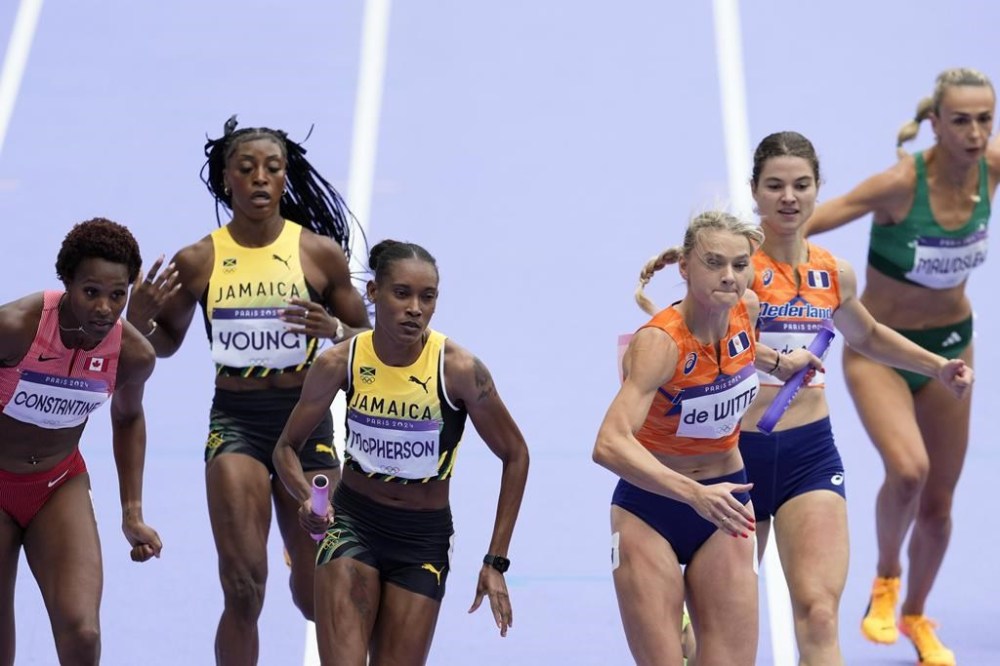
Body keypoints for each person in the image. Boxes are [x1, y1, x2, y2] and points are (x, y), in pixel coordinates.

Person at [126, 116, 371, 665]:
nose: (260, 178)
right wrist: (138, 321)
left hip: (306, 426)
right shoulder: (200, 260)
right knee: (242, 589)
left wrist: (333, 329)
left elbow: (376, 347)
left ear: (286, 178)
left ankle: (295, 547)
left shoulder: (318, 254)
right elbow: (163, 343)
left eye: (273, 168)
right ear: (226, 180)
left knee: (316, 596)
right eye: (247, 168)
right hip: (235, 422)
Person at [740, 131, 973, 665]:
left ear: (818, 188)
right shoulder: (737, 268)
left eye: (801, 184)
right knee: (726, 623)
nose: (788, 197)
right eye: (774, 185)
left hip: (809, 457)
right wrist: (776, 362)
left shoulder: (832, 272)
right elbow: (708, 344)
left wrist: (937, 366)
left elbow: (866, 335)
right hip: (736, 455)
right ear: (755, 191)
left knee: (820, 612)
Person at [805, 68, 997, 665]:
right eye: (960, 120)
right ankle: (884, 582)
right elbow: (806, 220)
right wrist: (732, 261)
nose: (974, 133)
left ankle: (915, 615)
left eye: (984, 120)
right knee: (908, 471)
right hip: (880, 351)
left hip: (950, 352)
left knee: (939, 508)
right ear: (934, 124)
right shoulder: (898, 185)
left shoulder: (992, 169)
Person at [272, 239, 530, 666]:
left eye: (427, 297)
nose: (415, 308)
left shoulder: (460, 371)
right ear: (373, 294)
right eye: (402, 294)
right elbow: (286, 448)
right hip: (353, 524)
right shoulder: (340, 363)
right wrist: (305, 498)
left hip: (422, 540)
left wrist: (495, 560)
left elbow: (516, 454)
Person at [592, 211, 822, 666]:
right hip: (650, 509)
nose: (729, 276)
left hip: (726, 501)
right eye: (714, 263)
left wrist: (779, 362)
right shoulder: (659, 344)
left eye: (740, 264)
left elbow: (736, 348)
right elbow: (609, 444)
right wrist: (695, 495)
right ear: (685, 267)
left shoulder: (746, 309)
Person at [0, 218, 162, 665]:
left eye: (118, 295)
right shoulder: (15, 327)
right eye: (91, 292)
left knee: (83, 634)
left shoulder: (132, 356)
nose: (105, 309)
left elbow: (128, 418)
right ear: (67, 281)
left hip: (57, 484)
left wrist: (132, 513)